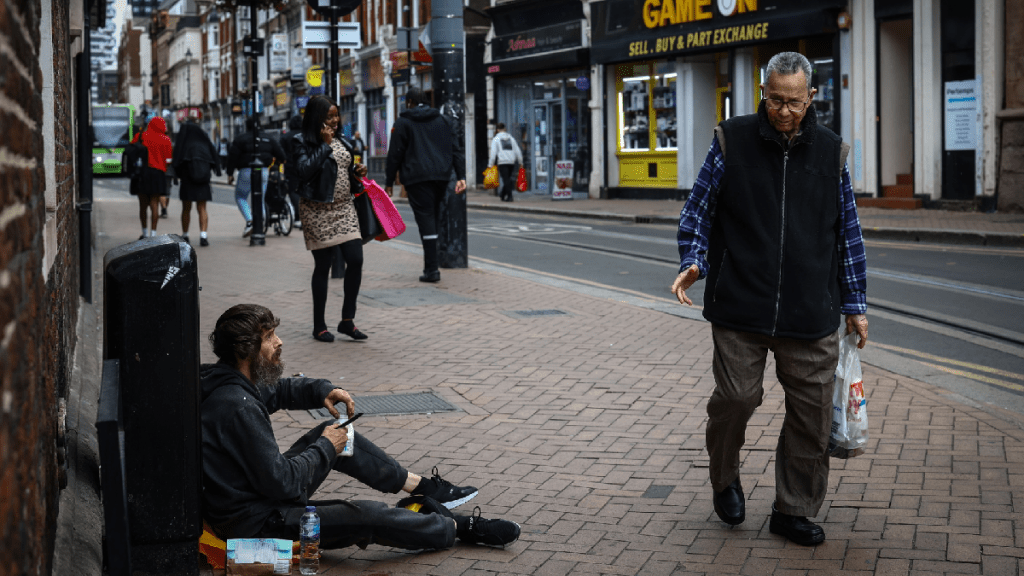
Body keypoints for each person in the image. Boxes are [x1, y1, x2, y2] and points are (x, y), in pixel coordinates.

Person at [671, 52, 869, 547]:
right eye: (775, 100)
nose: (784, 112)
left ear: (812, 97)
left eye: (795, 103)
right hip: (740, 304)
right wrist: (694, 260)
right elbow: (697, 211)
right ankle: (724, 477)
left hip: (811, 311)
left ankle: (793, 509)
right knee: (737, 398)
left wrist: (855, 303)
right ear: (763, 93)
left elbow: (848, 234)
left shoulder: (832, 153)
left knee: (812, 415)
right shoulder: (730, 140)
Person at [201, 303, 521, 551]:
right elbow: (282, 483)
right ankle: (455, 527)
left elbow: (280, 391)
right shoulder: (237, 407)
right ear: (246, 350)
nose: (279, 342)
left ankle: (422, 488)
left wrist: (321, 390)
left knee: (342, 433)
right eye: (269, 337)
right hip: (258, 523)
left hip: (262, 495)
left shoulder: (230, 382)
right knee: (364, 515)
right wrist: (327, 446)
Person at [290, 95, 368, 343]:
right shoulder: (301, 141)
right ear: (316, 118)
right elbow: (303, 171)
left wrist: (357, 172)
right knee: (323, 266)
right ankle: (319, 326)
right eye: (329, 116)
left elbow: (343, 169)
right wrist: (324, 146)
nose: (335, 120)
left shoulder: (343, 139)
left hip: (344, 208)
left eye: (336, 115)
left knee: (355, 259)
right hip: (317, 209)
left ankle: (347, 320)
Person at [384, 88, 466, 283]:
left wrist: (389, 182)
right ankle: (432, 266)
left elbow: (394, 153)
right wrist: (461, 175)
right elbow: (455, 148)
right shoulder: (442, 120)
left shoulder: (403, 122)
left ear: (410, 101)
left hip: (417, 177)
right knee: (434, 217)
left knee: (426, 220)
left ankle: (432, 269)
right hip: (441, 176)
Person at [227, 117, 289, 238]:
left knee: (240, 196)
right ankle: (260, 224)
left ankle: (250, 221)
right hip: (264, 171)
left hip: (246, 171)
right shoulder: (269, 138)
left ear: (247, 126)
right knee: (260, 198)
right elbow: (282, 155)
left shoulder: (241, 139)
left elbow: (232, 157)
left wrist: (230, 174)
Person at [172, 120, 220, 247]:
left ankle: (185, 234)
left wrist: (178, 175)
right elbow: (214, 160)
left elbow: (177, 162)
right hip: (203, 180)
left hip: (187, 180)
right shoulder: (205, 143)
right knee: (202, 208)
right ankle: (203, 235)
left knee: (186, 209)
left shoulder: (184, 144)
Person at [134, 116, 173, 239]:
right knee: (154, 204)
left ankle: (144, 232)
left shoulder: (141, 136)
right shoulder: (166, 140)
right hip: (158, 173)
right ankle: (153, 234)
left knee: (142, 205)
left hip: (143, 173)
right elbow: (168, 160)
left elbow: (132, 151)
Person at [488, 122, 523, 202]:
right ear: (504, 129)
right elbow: (517, 150)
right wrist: (520, 162)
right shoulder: (511, 138)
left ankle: (510, 197)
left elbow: (493, 153)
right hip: (511, 161)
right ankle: (502, 194)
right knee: (507, 179)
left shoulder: (496, 139)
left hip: (503, 162)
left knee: (506, 179)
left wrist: (490, 164)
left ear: (497, 130)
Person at [281, 114, 305, 230]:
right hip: (306, 166)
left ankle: (298, 218)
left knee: (293, 191)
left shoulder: (286, 137)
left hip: (291, 167)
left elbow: (281, 153)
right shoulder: (307, 136)